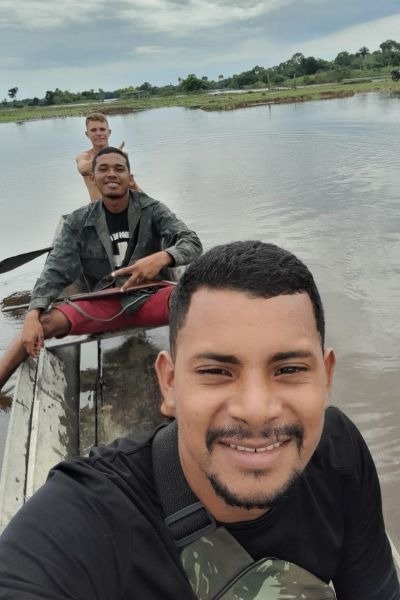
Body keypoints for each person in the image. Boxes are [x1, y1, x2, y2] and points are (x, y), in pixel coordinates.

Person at [0, 241, 399, 600]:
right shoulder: (89, 517)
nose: (256, 410)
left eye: (289, 369)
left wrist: (164, 256)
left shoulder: (339, 452)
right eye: (216, 371)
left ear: (326, 377)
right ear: (169, 383)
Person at [0, 146, 202, 390]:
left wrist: (163, 257)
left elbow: (191, 242)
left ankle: (205, 375)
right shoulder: (78, 221)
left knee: (202, 304)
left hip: (149, 296)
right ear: (93, 178)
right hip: (103, 302)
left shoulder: (152, 209)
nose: (112, 174)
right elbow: (55, 271)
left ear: (129, 177)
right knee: (39, 326)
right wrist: (33, 313)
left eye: (119, 169)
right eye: (103, 169)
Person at [76, 112, 141, 201]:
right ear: (87, 134)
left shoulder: (119, 156)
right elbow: (83, 169)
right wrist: (110, 157)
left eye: (102, 129)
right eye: (93, 130)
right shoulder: (84, 156)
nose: (98, 133)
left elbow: (132, 186)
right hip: (98, 208)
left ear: (109, 132)